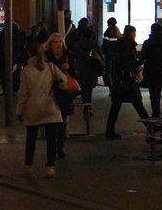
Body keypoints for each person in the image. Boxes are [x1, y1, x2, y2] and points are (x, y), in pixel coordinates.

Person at [16, 40, 66, 178]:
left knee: (31, 138)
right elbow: (64, 80)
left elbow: (23, 94)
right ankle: (50, 167)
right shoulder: (51, 67)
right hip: (50, 107)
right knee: (51, 139)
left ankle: (28, 163)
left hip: (33, 109)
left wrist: (19, 111)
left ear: (29, 54)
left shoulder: (26, 71)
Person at [105, 25, 149, 139]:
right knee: (138, 104)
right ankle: (150, 126)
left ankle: (109, 130)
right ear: (131, 34)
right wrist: (139, 63)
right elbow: (128, 63)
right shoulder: (128, 46)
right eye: (134, 33)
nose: (135, 35)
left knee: (116, 106)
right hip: (126, 81)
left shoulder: (120, 45)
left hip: (120, 81)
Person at [44, 31, 77, 159]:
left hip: (64, 93)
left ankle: (60, 146)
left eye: (60, 42)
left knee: (62, 121)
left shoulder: (69, 56)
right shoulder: (46, 57)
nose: (58, 45)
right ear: (50, 44)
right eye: (55, 42)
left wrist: (69, 67)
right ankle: (52, 146)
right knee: (52, 122)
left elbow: (75, 74)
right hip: (50, 92)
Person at [67, 17, 102, 111]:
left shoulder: (77, 40)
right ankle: (88, 103)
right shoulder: (94, 44)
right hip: (92, 68)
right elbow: (100, 54)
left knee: (84, 86)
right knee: (90, 87)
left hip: (81, 67)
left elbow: (72, 49)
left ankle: (86, 103)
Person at [139, 22, 162, 118]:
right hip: (160, 69)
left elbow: (142, 56)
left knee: (152, 90)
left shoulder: (147, 42)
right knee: (157, 89)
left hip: (149, 69)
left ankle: (156, 110)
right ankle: (156, 108)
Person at [101, 17, 122, 88]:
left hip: (109, 54)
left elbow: (105, 45)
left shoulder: (107, 32)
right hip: (117, 55)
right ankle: (116, 87)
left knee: (108, 72)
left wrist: (103, 51)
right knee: (115, 72)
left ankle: (111, 87)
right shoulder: (118, 32)